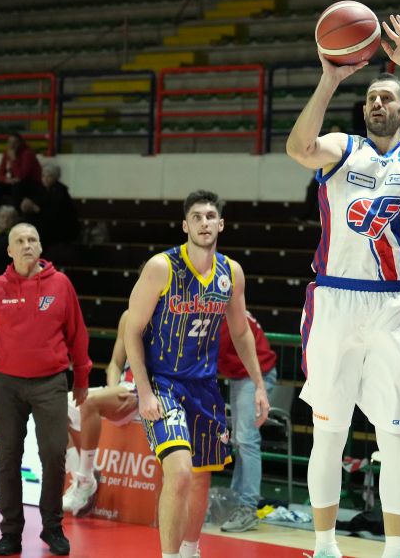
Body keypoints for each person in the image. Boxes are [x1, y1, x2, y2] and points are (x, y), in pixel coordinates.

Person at [286, 14, 400, 558]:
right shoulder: (342, 147)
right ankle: (323, 544)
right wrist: (330, 78)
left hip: (392, 307)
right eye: (371, 100)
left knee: (394, 436)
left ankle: (395, 550)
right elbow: (298, 146)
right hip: (334, 299)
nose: (377, 105)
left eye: (387, 99)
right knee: (329, 432)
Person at [123, 190, 269, 558]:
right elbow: (131, 330)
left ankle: (190, 550)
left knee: (202, 476)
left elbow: (240, 331)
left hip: (205, 387)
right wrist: (143, 391)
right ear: (185, 225)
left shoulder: (231, 272)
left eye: (210, 216)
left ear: (220, 224)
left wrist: (258, 386)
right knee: (182, 472)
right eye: (197, 216)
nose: (204, 222)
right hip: (164, 383)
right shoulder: (161, 267)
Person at [0, 222, 91, 556]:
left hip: (50, 382)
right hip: (6, 384)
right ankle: (11, 532)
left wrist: (81, 380)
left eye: (32, 239)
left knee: (53, 454)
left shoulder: (61, 284)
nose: (27, 245)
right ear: (9, 250)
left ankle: (52, 528)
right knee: (7, 458)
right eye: (19, 241)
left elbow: (77, 335)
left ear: (40, 245)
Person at [62, 309, 138, 516]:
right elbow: (115, 363)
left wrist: (142, 394)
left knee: (90, 402)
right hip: (125, 388)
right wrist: (113, 389)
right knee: (53, 407)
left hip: (147, 394)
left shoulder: (172, 316)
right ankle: (82, 479)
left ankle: (85, 480)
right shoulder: (129, 315)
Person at [218, 310, 278, 533]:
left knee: (246, 439)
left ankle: (248, 508)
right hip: (240, 375)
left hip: (255, 376)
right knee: (240, 440)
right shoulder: (221, 305)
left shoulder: (223, 313)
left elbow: (205, 357)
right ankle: (238, 502)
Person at [20, 161, 80, 254]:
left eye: (49, 176)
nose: (45, 179)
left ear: (56, 177)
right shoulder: (41, 190)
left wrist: (36, 209)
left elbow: (56, 214)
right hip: (45, 223)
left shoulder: (61, 192)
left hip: (60, 227)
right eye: (43, 176)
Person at [0, 133, 42, 213]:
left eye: (15, 142)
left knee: (17, 187)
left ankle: (16, 214)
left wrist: (14, 160)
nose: (12, 145)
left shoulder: (27, 154)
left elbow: (22, 176)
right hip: (15, 182)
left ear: (20, 143)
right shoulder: (7, 154)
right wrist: (7, 180)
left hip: (31, 184)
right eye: (10, 142)